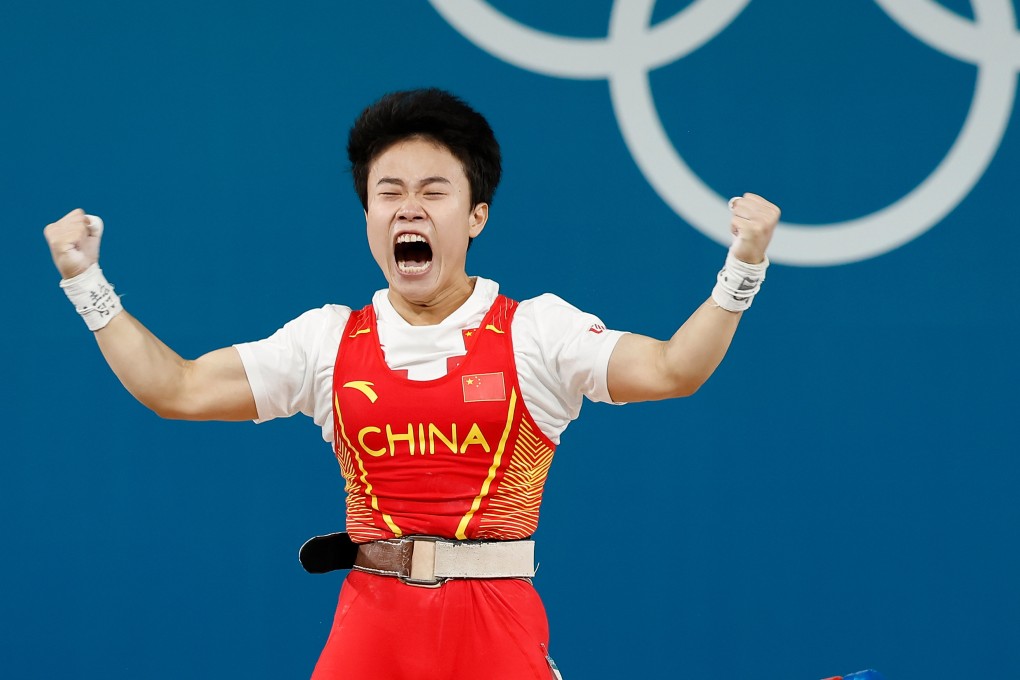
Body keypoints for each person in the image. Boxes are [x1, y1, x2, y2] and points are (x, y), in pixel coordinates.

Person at [44, 88, 780, 679]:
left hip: (496, 632)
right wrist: (85, 281)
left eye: (434, 190)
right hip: (370, 635)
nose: (409, 207)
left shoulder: (537, 333)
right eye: (388, 191)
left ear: (476, 215)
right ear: (368, 215)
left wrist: (744, 264)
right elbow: (175, 388)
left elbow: (673, 369)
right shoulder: (327, 342)